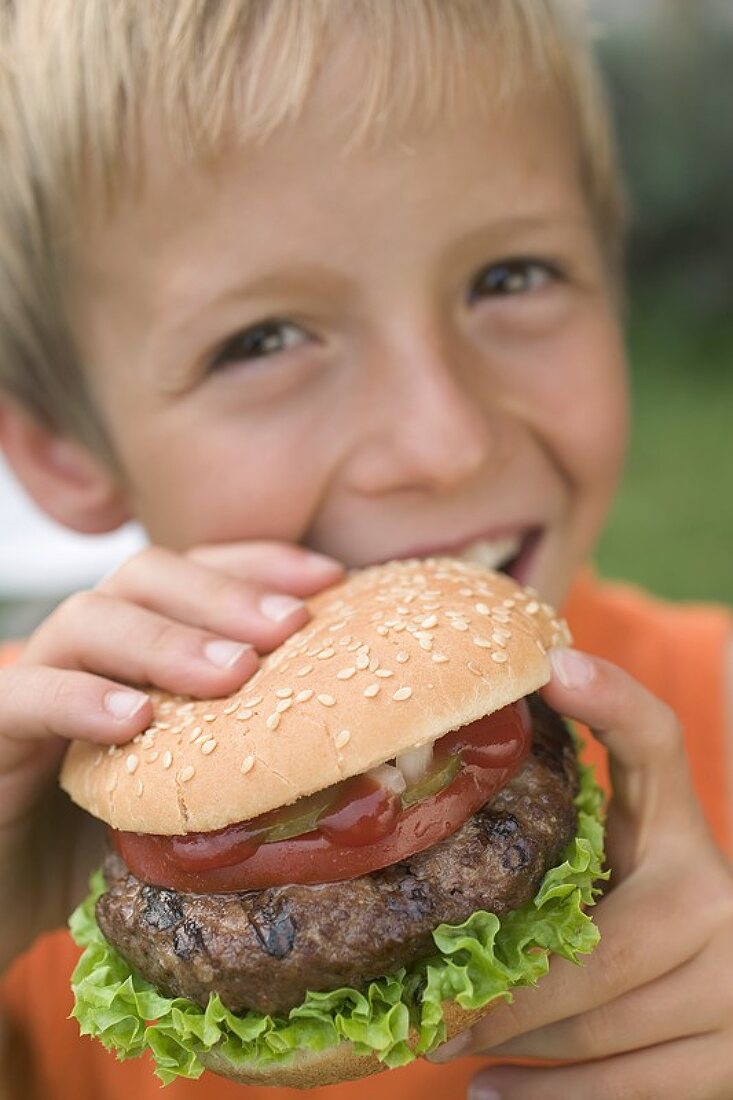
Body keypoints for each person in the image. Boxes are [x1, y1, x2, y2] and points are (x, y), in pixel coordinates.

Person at [0, 2, 730, 1098]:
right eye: (263, 340)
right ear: (63, 453)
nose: (445, 443)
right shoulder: (29, 800)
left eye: (511, 276)